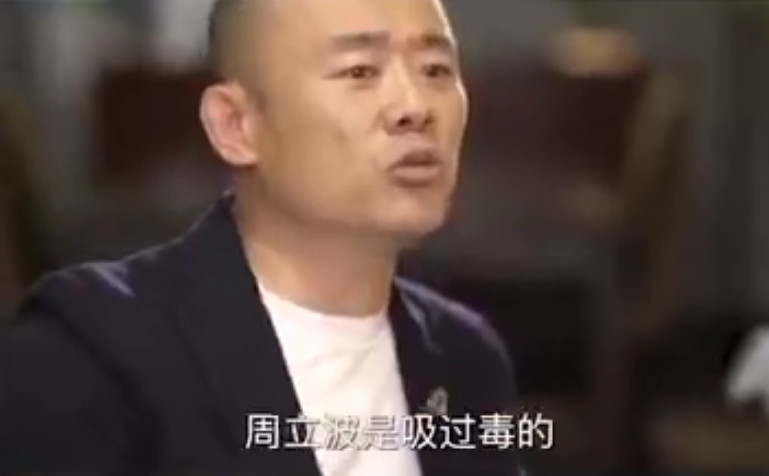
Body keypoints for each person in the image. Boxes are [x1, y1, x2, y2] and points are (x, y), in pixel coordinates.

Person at [0, 0, 523, 474]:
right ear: (234, 125)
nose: (416, 106)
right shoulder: (92, 349)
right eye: (360, 71)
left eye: (436, 70)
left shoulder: (464, 358)